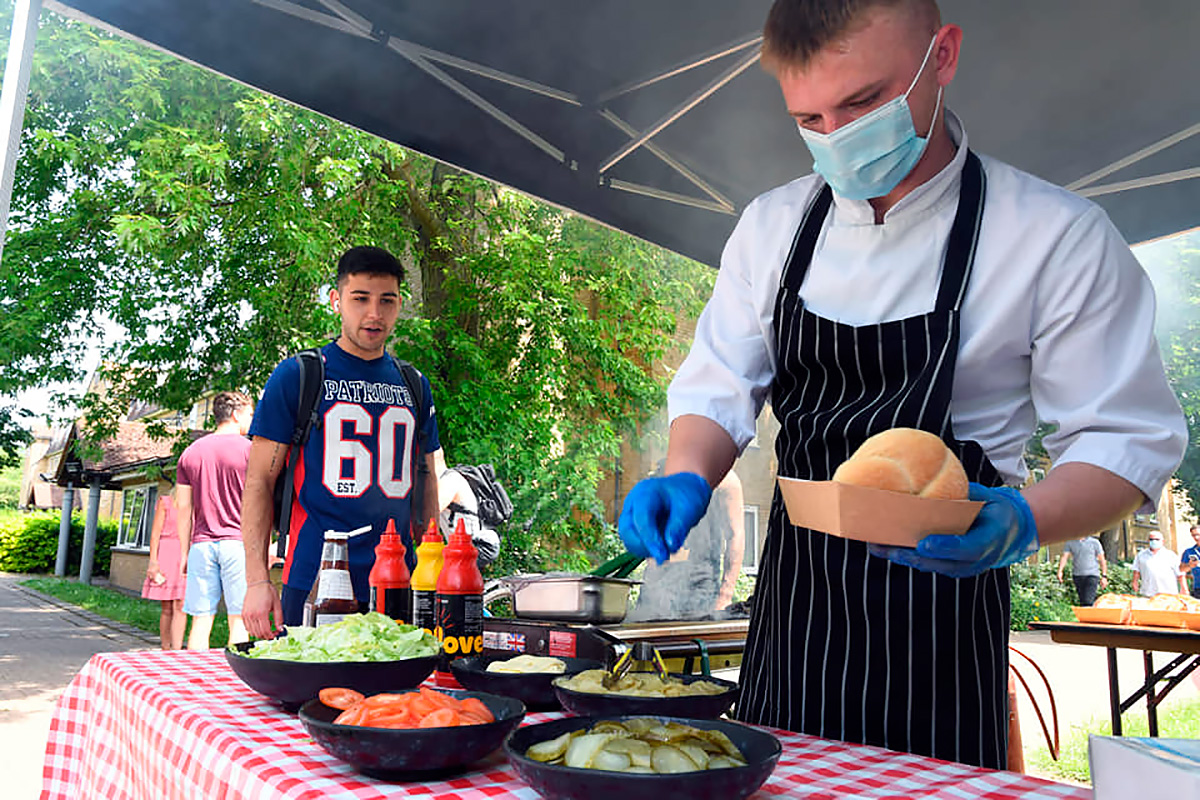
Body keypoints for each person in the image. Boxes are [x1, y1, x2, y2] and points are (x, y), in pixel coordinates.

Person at [615, 0, 1186, 770]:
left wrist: (1024, 520)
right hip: (797, 630)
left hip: (942, 636)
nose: (836, 136)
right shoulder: (771, 228)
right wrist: (686, 470)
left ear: (941, 56)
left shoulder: (1054, 236)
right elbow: (718, 387)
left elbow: (1125, 443)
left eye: (862, 103)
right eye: (809, 119)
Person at [240, 246, 441, 637]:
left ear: (400, 304)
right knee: (315, 677)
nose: (374, 313)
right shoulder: (298, 376)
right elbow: (258, 481)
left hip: (400, 582)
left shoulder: (415, 385)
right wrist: (257, 581)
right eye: (360, 298)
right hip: (315, 580)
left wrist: (436, 565)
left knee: (401, 677)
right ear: (336, 300)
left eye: (387, 300)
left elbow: (427, 478)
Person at [176, 391, 255, 650]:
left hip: (201, 545)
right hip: (238, 545)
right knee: (240, 621)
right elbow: (260, 503)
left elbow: (183, 507)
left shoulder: (190, 453)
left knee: (200, 621)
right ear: (236, 415)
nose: (252, 420)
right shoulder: (251, 451)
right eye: (250, 414)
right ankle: (236, 674)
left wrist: (185, 552)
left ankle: (194, 674)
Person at [629, 468, 745, 621]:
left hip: (700, 585)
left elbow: (735, 535)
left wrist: (725, 595)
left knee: (692, 635)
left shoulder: (725, 479)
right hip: (656, 581)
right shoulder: (661, 471)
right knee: (643, 631)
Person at [433, 448, 501, 567]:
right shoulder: (444, 480)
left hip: (478, 545)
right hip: (468, 546)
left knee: (426, 565)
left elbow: (429, 516)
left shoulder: (449, 481)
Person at [140, 489, 186, 649]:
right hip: (167, 554)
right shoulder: (165, 501)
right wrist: (153, 561)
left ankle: (177, 650)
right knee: (167, 607)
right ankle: (166, 647)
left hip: (186, 555)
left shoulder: (198, 504)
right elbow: (155, 534)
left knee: (181, 604)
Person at [1055, 536, 1108, 607]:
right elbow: (1064, 557)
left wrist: (1104, 576)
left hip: (1092, 574)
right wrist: (1060, 571)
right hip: (1077, 575)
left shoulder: (1094, 542)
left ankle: (1089, 611)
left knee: (1088, 600)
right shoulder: (1070, 542)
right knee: (1083, 601)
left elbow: (1102, 559)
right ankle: (1091, 611)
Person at [1132, 531, 1186, 597]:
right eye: (1151, 539)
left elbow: (1180, 573)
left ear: (1163, 541)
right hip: (1148, 593)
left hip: (1168, 593)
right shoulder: (1141, 555)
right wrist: (1135, 582)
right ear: (1148, 541)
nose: (1154, 541)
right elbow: (1136, 571)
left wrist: (1184, 588)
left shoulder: (1171, 555)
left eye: (1157, 539)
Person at [1179, 524, 1200, 599]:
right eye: (1194, 535)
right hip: (1198, 588)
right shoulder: (1189, 552)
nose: (1196, 537)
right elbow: (1181, 569)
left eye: (1198, 534)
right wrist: (1189, 565)